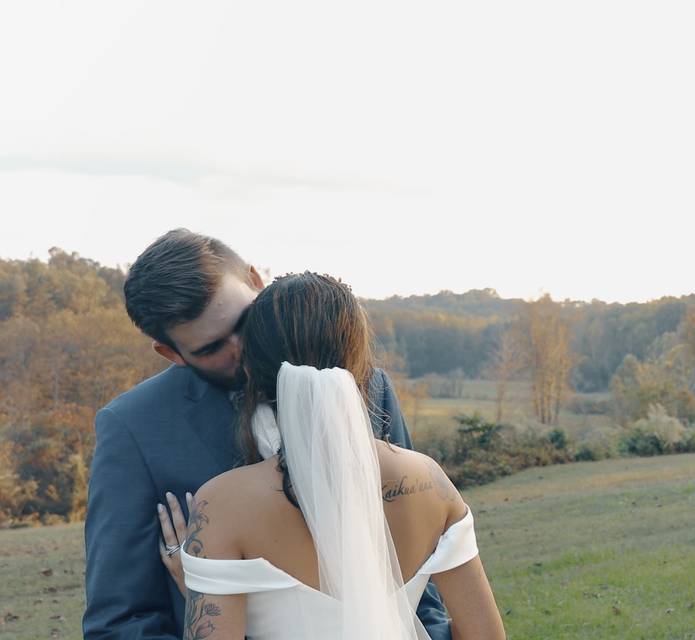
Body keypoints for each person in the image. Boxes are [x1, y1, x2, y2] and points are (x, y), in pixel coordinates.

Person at [83, 230, 451, 639]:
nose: (242, 348)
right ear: (171, 353)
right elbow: (119, 621)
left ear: (257, 281)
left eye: (243, 321)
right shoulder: (134, 427)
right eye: (211, 348)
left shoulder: (365, 385)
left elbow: (419, 562)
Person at [156, 272, 505, 639]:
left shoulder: (221, 507)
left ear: (249, 372)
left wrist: (195, 585)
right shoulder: (430, 482)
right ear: (363, 367)